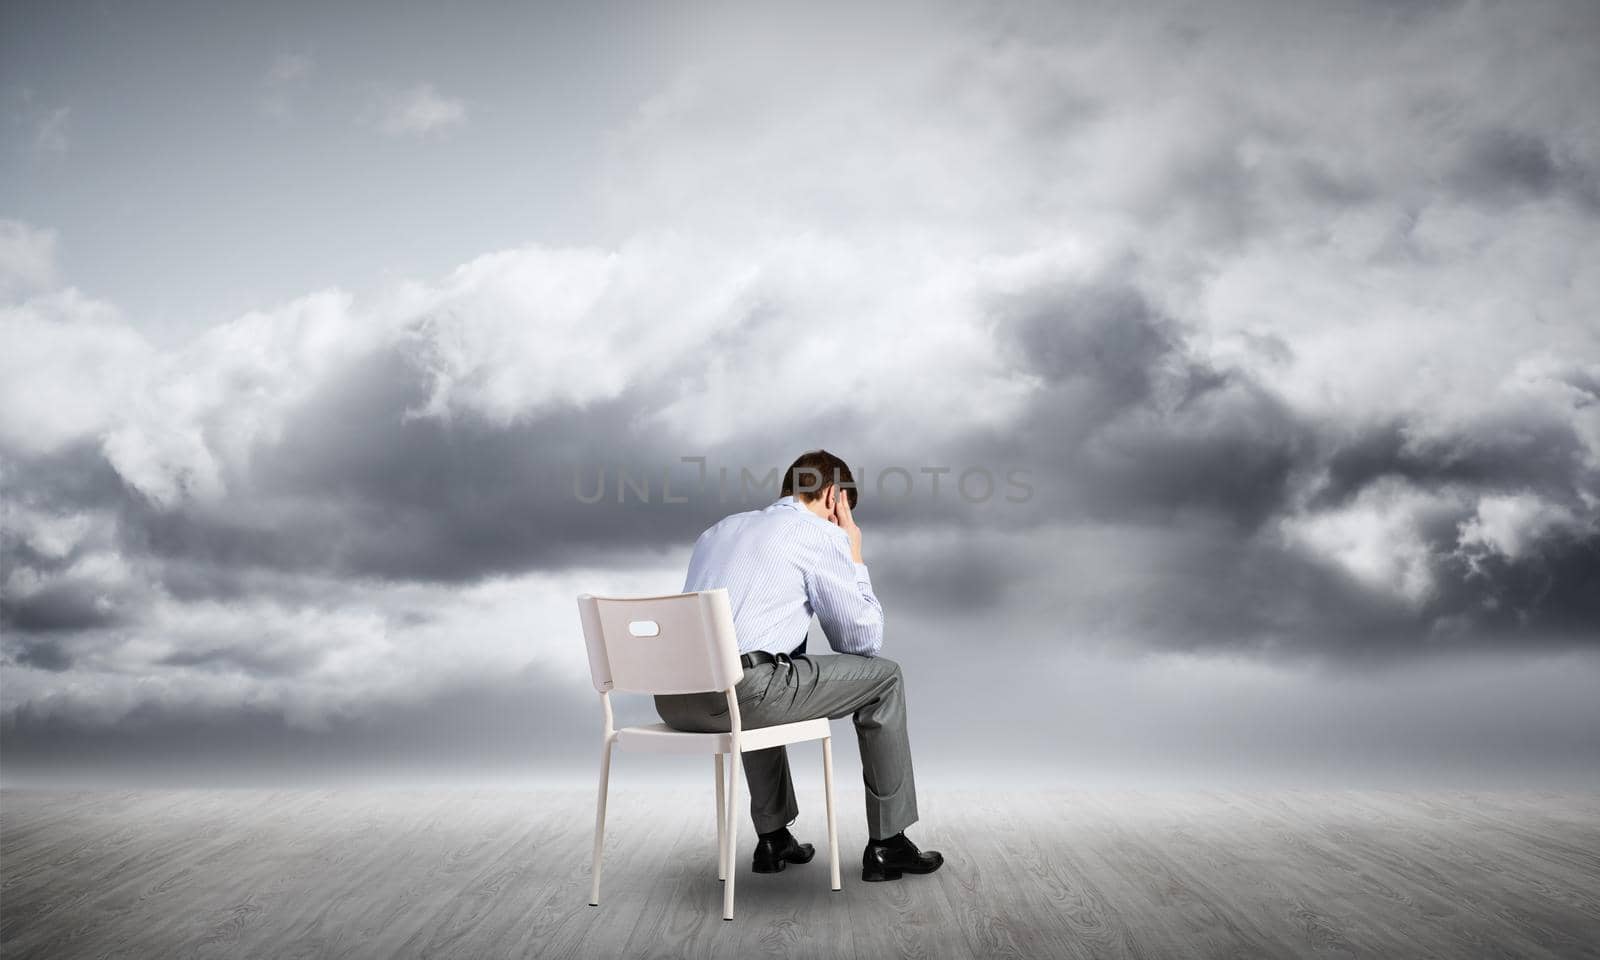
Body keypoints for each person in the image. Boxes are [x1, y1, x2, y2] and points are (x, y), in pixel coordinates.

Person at [654, 450, 943, 883]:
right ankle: (888, 843)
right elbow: (861, 641)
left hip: (675, 700)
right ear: (833, 497)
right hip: (744, 693)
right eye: (839, 513)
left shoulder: (718, 531)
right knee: (885, 677)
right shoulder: (817, 533)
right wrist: (854, 555)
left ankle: (773, 837)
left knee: (756, 671)